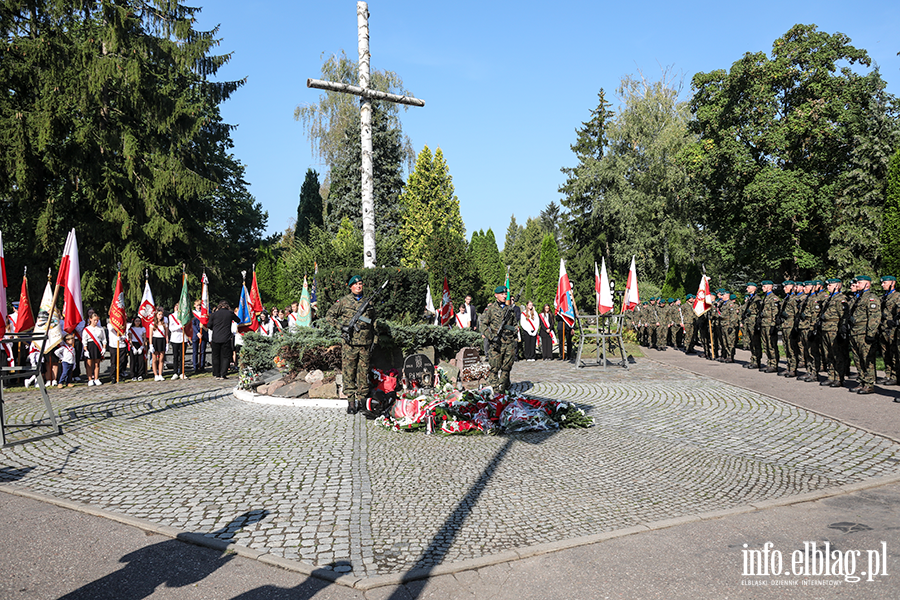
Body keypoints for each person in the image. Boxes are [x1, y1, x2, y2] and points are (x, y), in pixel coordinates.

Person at [326, 275, 376, 414]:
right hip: (350, 344)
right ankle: (351, 403)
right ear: (350, 287)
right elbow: (329, 316)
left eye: (360, 284)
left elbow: (374, 321)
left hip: (365, 343)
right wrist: (341, 327)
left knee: (363, 373)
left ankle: (362, 401)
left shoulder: (369, 302)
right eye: (355, 284)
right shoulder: (344, 302)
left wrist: (374, 339)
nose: (358, 286)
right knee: (349, 373)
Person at [480, 285, 518, 391]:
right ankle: (494, 389)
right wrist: (491, 337)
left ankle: (504, 387)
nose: (504, 296)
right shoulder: (491, 309)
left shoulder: (509, 309)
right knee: (495, 367)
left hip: (508, 342)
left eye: (505, 294)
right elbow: (483, 325)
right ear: (496, 295)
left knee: (507, 367)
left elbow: (514, 324)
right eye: (502, 294)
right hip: (496, 342)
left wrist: (514, 332)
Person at [848, 276, 881, 394]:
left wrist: (871, 334)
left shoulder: (871, 298)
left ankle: (869, 384)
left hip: (863, 332)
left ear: (867, 284)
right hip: (855, 332)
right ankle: (862, 381)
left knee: (867, 359)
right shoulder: (858, 298)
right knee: (857, 358)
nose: (857, 285)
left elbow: (874, 317)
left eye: (859, 283)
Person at [819, 278, 849, 388]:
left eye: (830, 285)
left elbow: (843, 316)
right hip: (826, 329)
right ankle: (831, 376)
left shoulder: (841, 299)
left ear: (837, 286)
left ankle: (839, 378)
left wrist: (842, 330)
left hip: (834, 329)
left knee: (837, 354)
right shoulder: (829, 299)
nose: (828, 287)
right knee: (828, 354)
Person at [208, 300, 239, 380]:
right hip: (226, 337)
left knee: (216, 356)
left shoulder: (214, 314)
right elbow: (238, 320)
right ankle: (223, 374)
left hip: (216, 337)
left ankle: (216, 373)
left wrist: (215, 328)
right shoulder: (230, 313)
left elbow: (209, 325)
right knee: (225, 356)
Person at [879, 276, 899, 386]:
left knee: (894, 353)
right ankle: (888, 374)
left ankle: (895, 375)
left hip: (892, 329)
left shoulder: (897, 296)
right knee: (885, 353)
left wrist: (894, 322)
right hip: (883, 328)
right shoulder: (883, 297)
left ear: (893, 283)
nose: (882, 285)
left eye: (885, 283)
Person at [758, 281, 781, 373]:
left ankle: (774, 364)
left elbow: (775, 313)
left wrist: (773, 325)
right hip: (764, 323)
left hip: (769, 324)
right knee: (765, 345)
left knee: (771, 345)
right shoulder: (765, 298)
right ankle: (769, 363)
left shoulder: (774, 298)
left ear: (769, 287)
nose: (762, 288)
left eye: (764, 286)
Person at [82, 311, 107, 386]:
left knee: (97, 363)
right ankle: (90, 379)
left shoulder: (100, 329)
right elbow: (84, 340)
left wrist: (104, 348)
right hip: (90, 346)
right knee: (89, 364)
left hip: (98, 346)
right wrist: (85, 350)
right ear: (90, 319)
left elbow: (104, 339)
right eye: (94, 320)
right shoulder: (87, 329)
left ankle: (96, 378)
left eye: (97, 320)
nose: (96, 321)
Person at [169, 304, 187, 380]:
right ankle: (175, 372)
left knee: (182, 356)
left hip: (183, 338)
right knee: (175, 356)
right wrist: (179, 327)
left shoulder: (185, 316)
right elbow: (171, 328)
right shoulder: (171, 316)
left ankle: (182, 372)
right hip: (175, 338)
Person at [150, 307, 168, 381]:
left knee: (161, 358)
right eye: (159, 314)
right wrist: (151, 345)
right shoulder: (152, 324)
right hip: (155, 340)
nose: (161, 316)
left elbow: (166, 335)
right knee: (154, 359)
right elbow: (150, 335)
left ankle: (160, 374)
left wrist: (167, 344)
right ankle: (155, 374)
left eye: (162, 314)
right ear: (156, 315)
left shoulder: (165, 324)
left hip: (162, 340)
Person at [191, 300, 208, 374]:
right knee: (195, 351)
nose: (199, 306)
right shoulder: (193, 313)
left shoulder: (203, 313)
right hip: (195, 334)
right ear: (194, 305)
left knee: (203, 351)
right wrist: (197, 333)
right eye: (198, 305)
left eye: (200, 305)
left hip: (203, 333)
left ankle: (202, 366)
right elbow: (192, 324)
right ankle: (195, 367)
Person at [128, 315, 147, 381]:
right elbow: (129, 338)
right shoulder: (131, 329)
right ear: (134, 322)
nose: (138, 322)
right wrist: (133, 347)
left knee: (140, 361)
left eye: (139, 321)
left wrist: (142, 346)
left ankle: (140, 374)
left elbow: (144, 338)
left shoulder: (143, 328)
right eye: (136, 321)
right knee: (133, 361)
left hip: (140, 344)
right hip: (133, 344)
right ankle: (133, 375)